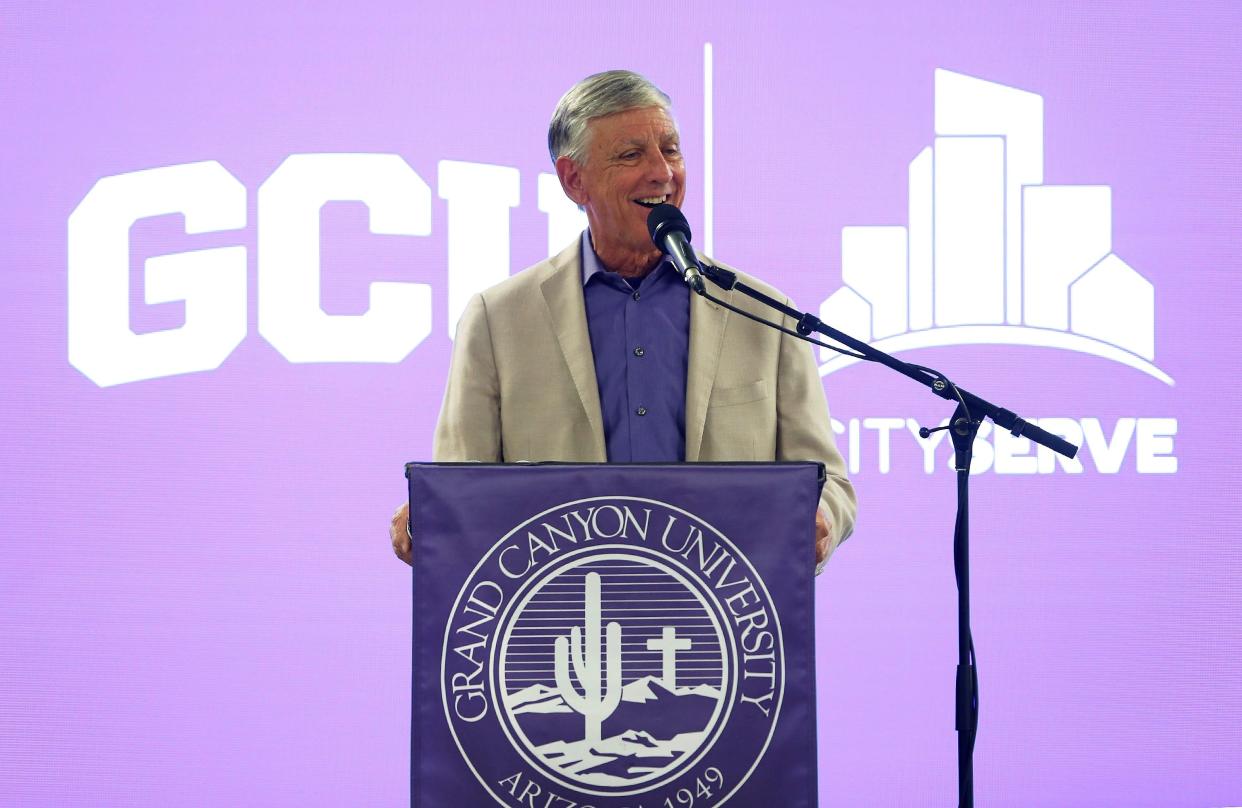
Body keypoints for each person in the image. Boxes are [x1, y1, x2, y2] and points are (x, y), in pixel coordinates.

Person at [390, 69, 855, 571]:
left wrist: (820, 518)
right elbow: (461, 484)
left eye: (671, 150)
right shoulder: (498, 321)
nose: (662, 172)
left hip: (722, 622)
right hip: (563, 626)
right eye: (631, 155)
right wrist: (429, 519)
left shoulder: (762, 314)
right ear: (573, 180)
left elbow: (830, 483)